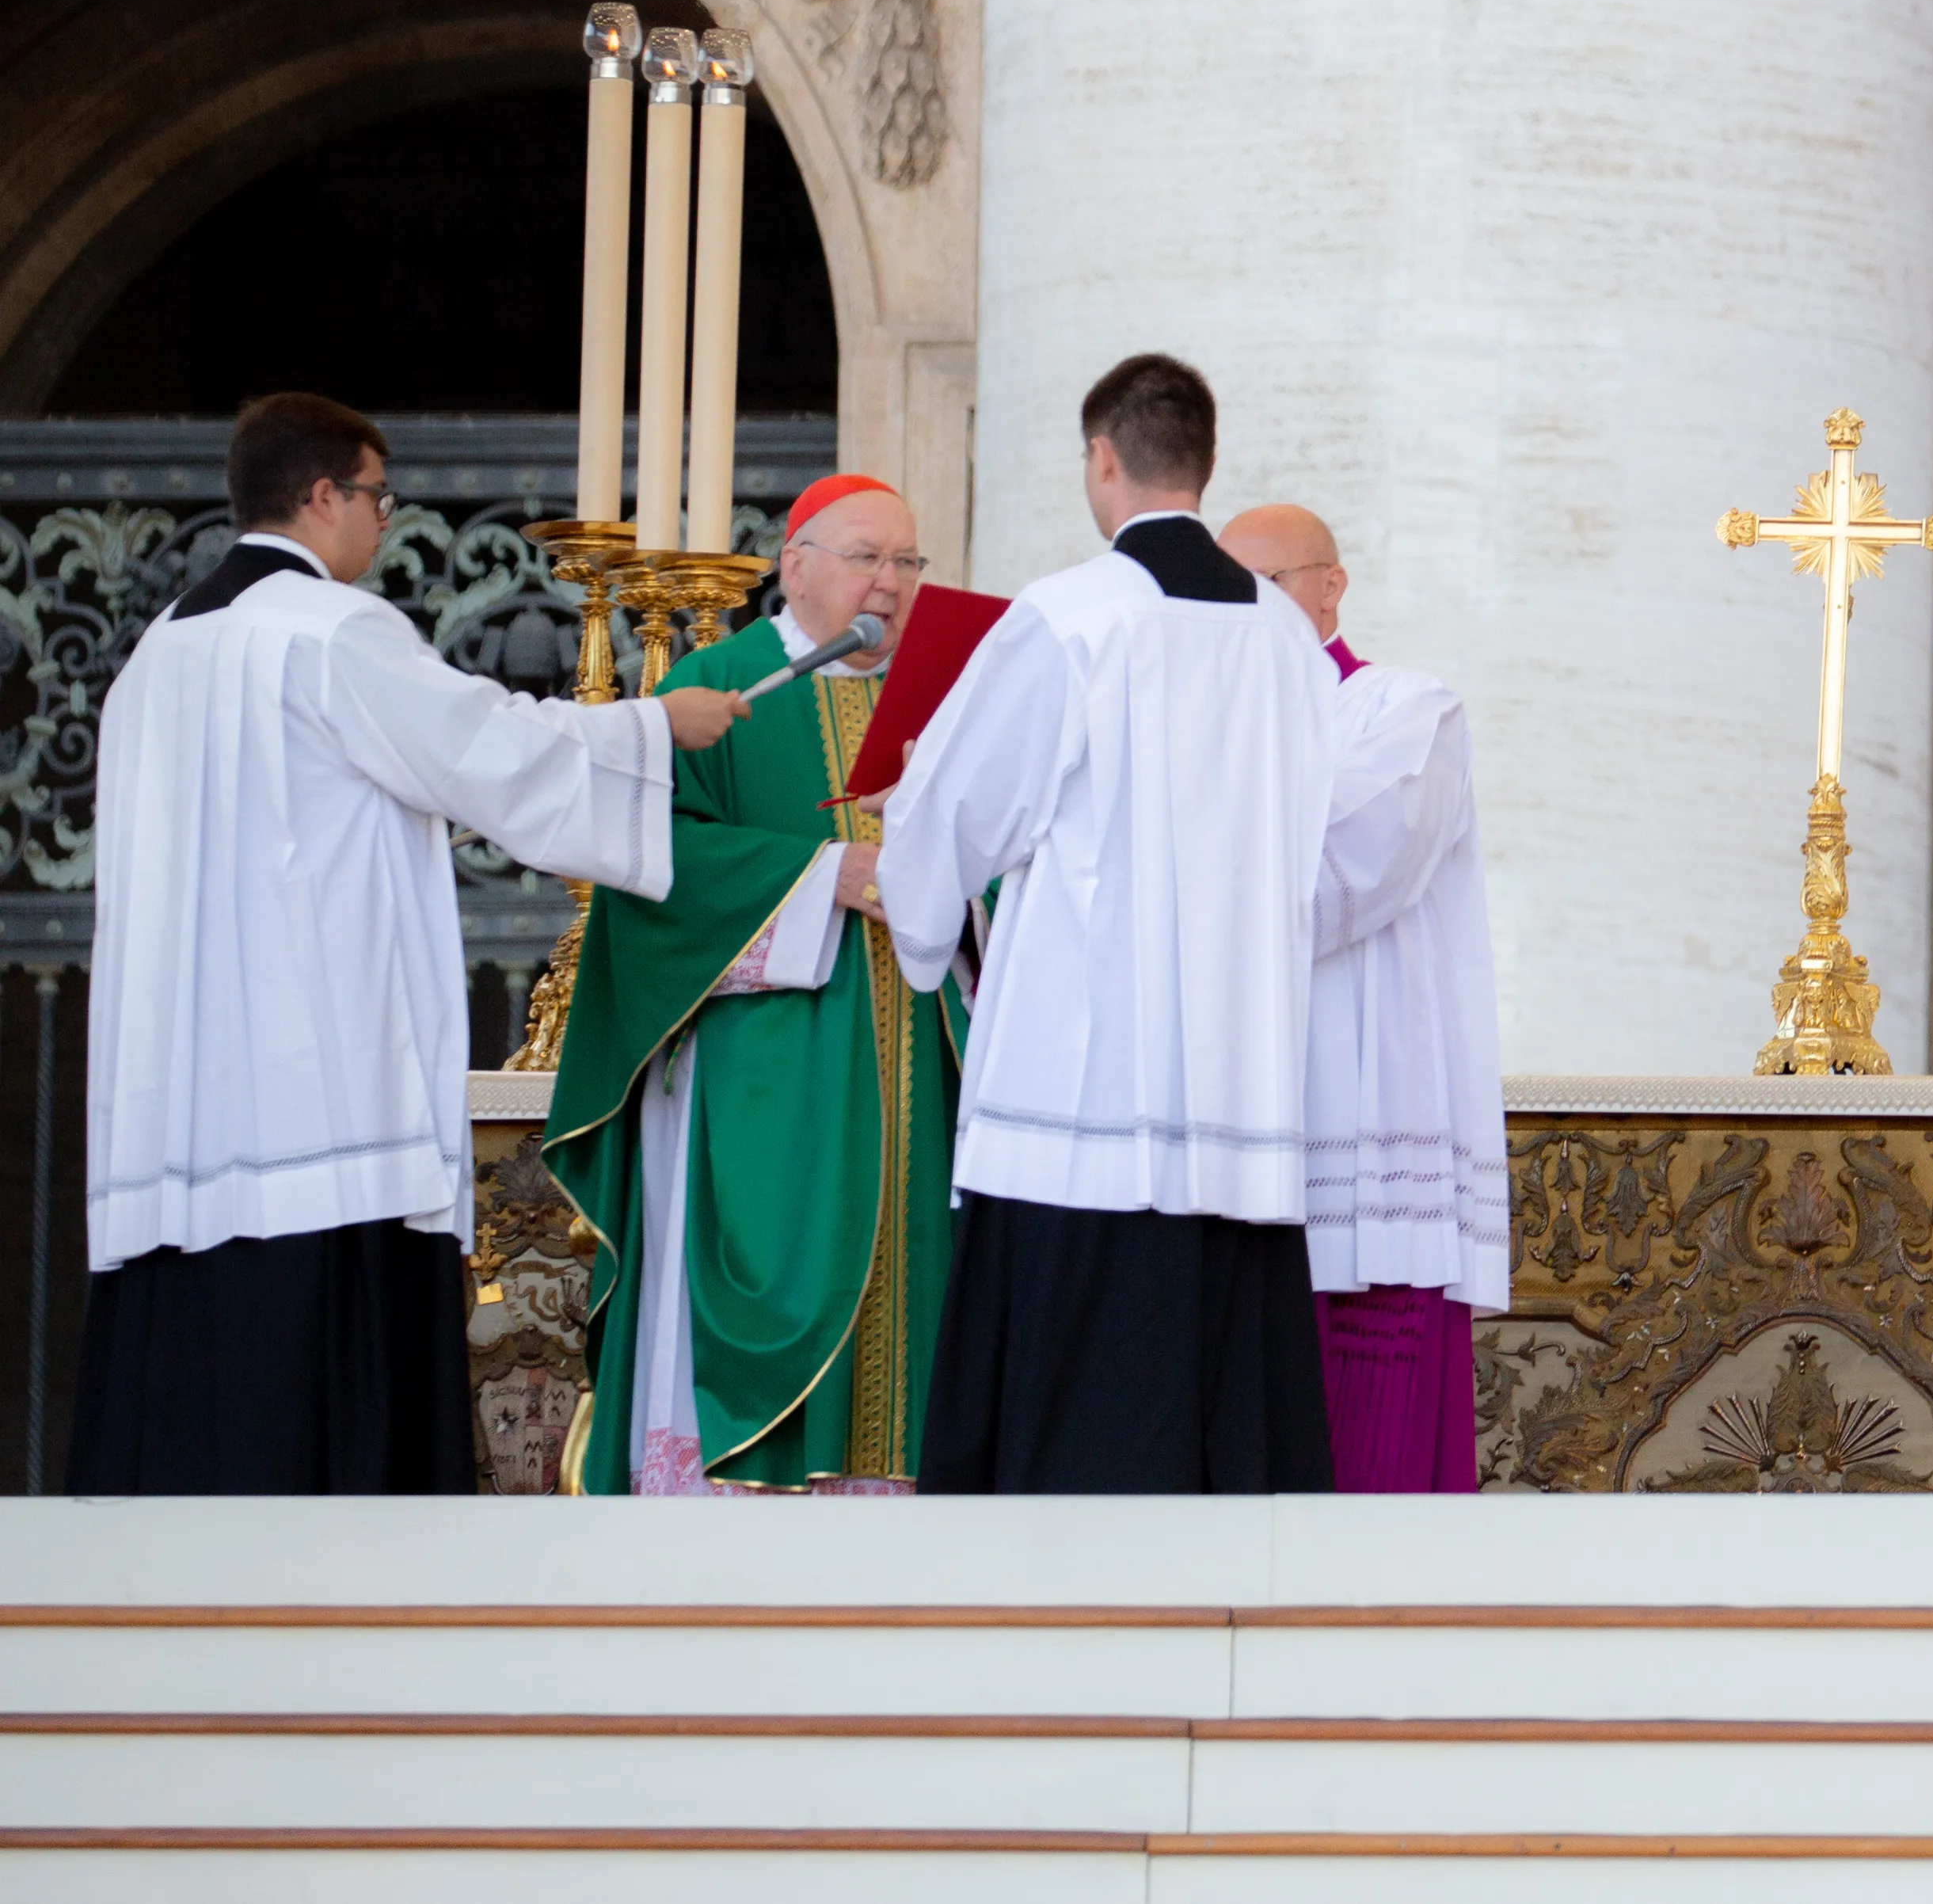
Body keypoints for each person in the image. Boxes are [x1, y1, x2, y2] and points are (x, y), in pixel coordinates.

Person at [74, 393, 743, 1493]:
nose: (384, 521)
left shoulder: (159, 653)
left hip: (179, 1096)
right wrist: (651, 726)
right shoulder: (332, 629)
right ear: (325, 494)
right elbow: (479, 745)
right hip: (317, 1103)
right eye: (377, 495)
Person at [875, 354, 1340, 1491]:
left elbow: (957, 806)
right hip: (1240, 1095)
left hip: (1083, 1106)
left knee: (1075, 1434)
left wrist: (924, 916)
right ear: (1204, 460)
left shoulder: (1070, 617)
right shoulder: (1288, 638)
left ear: (1102, 456)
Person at [549, 474, 961, 1493]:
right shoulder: (716, 694)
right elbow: (653, 871)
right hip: (769, 1075)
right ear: (795, 566)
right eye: (867, 557)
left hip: (923, 1062)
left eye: (908, 562)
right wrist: (827, 876)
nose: (892, 584)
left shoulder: (948, 705)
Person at [1222, 503, 1507, 1494]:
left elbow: (1353, 860)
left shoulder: (1406, 709)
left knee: (1371, 1434)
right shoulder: (1204, 726)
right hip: (1241, 1105)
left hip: (1373, 1101)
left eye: (1268, 585)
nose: (1247, 612)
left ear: (1331, 586)